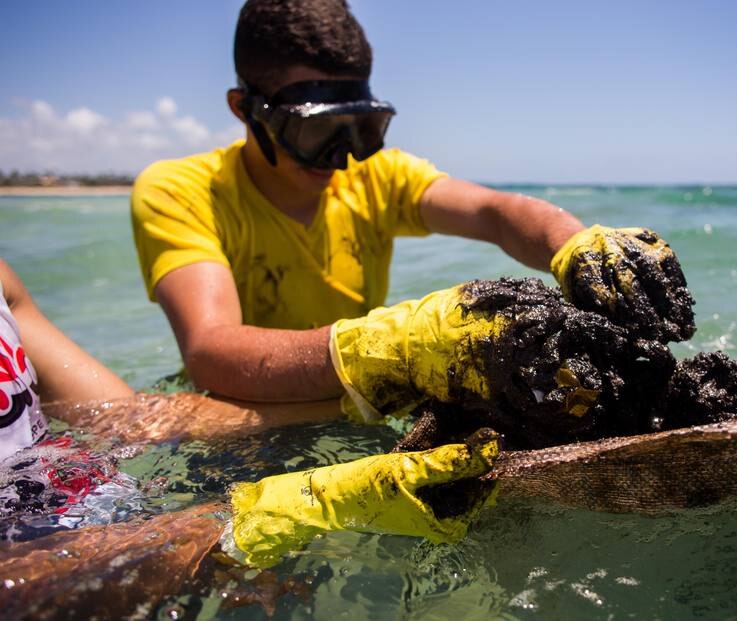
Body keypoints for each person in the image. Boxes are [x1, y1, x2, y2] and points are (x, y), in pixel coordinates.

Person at [130, 0, 684, 419]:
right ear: (244, 109)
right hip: (238, 418)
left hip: (358, 404)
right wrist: (393, 347)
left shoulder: (377, 175)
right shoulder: (182, 189)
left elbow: (494, 211)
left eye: (361, 129)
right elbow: (209, 349)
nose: (342, 156)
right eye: (318, 130)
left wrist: (575, 246)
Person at [0, 257, 501, 617]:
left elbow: (133, 422)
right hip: (90, 567)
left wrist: (368, 390)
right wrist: (259, 524)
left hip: (135, 517)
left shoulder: (5, 283)